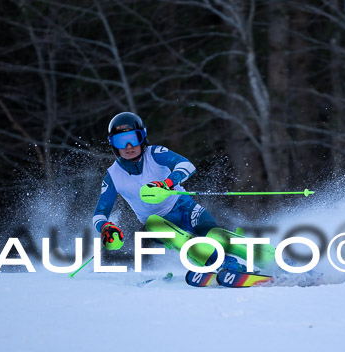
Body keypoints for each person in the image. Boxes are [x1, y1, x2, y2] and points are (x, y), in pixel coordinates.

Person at [92, 111, 272, 272]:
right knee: (158, 226)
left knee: (215, 236)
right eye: (121, 141)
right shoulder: (113, 176)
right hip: (158, 223)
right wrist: (106, 227)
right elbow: (99, 214)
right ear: (112, 144)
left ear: (143, 137)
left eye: (134, 138)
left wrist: (167, 183)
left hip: (185, 207)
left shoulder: (155, 154)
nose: (128, 146)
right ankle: (224, 264)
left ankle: (273, 259)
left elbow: (187, 165)